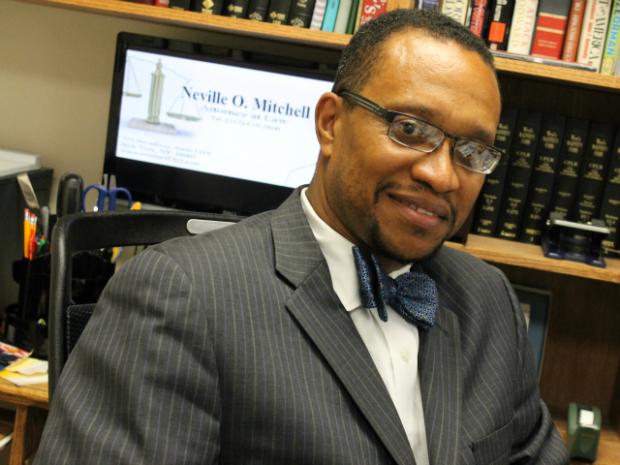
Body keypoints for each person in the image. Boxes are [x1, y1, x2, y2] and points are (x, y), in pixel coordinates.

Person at [34, 9, 569, 465]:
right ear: (330, 124)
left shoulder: (488, 300)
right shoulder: (179, 297)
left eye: (472, 152)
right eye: (409, 129)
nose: (442, 175)